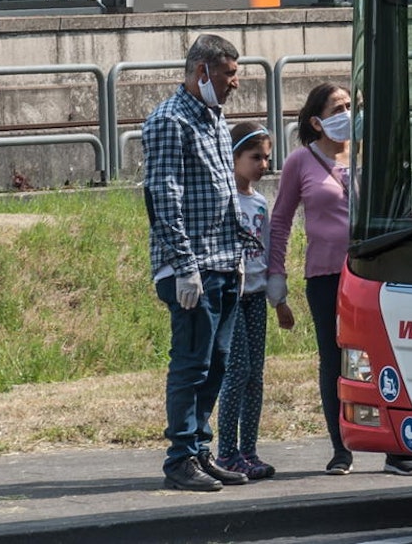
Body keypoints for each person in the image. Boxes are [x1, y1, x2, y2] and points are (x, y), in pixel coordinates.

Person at [267, 83, 412, 477]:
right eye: (338, 107)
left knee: (384, 359)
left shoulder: (367, 158)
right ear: (317, 120)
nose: (348, 113)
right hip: (325, 276)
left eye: (352, 106)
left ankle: (397, 448)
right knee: (334, 360)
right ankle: (341, 447)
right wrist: (276, 274)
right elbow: (281, 221)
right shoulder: (300, 162)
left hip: (372, 274)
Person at [143, 33, 256, 492]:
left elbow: (224, 192)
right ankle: (180, 458)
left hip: (224, 261)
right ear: (202, 72)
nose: (235, 84)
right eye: (230, 74)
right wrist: (184, 265)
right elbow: (163, 198)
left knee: (218, 362)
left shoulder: (211, 116)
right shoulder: (171, 121)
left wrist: (238, 253)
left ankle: (200, 451)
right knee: (191, 363)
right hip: (194, 268)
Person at [214, 120, 293, 481]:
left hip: (257, 295)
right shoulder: (223, 198)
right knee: (237, 371)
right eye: (254, 157)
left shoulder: (260, 202)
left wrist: (278, 299)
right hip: (234, 294)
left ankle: (249, 450)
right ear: (232, 158)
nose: (263, 165)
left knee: (255, 376)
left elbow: (267, 249)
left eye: (266, 157)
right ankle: (227, 451)